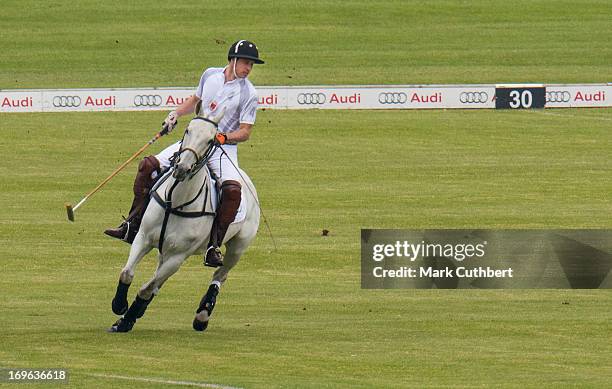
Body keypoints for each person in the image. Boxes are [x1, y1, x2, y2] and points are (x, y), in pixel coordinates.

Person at [104, 39, 264, 268]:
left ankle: (213, 246)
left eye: (252, 65)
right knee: (148, 165)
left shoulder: (249, 92)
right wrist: (175, 114)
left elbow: (246, 131)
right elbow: (195, 100)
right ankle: (132, 224)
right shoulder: (210, 74)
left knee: (232, 190)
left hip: (222, 148)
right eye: (246, 62)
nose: (248, 68)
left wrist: (224, 137)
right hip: (194, 140)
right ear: (233, 60)